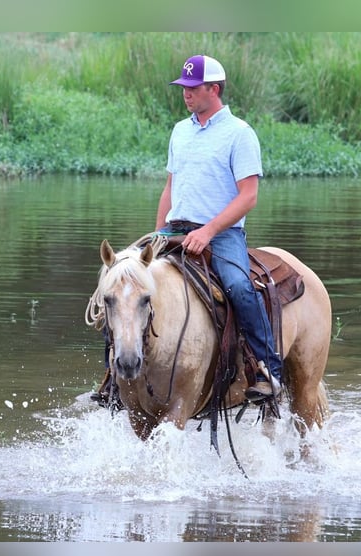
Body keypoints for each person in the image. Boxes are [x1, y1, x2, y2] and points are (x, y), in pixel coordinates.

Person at [92, 54, 281, 407]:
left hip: (221, 236)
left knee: (240, 287)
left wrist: (208, 232)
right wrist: (156, 236)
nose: (186, 94)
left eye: (193, 88)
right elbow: (170, 188)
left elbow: (249, 196)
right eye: (184, 88)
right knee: (122, 283)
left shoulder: (240, 134)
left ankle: (266, 371)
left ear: (214, 89)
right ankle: (112, 377)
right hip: (173, 231)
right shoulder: (181, 130)